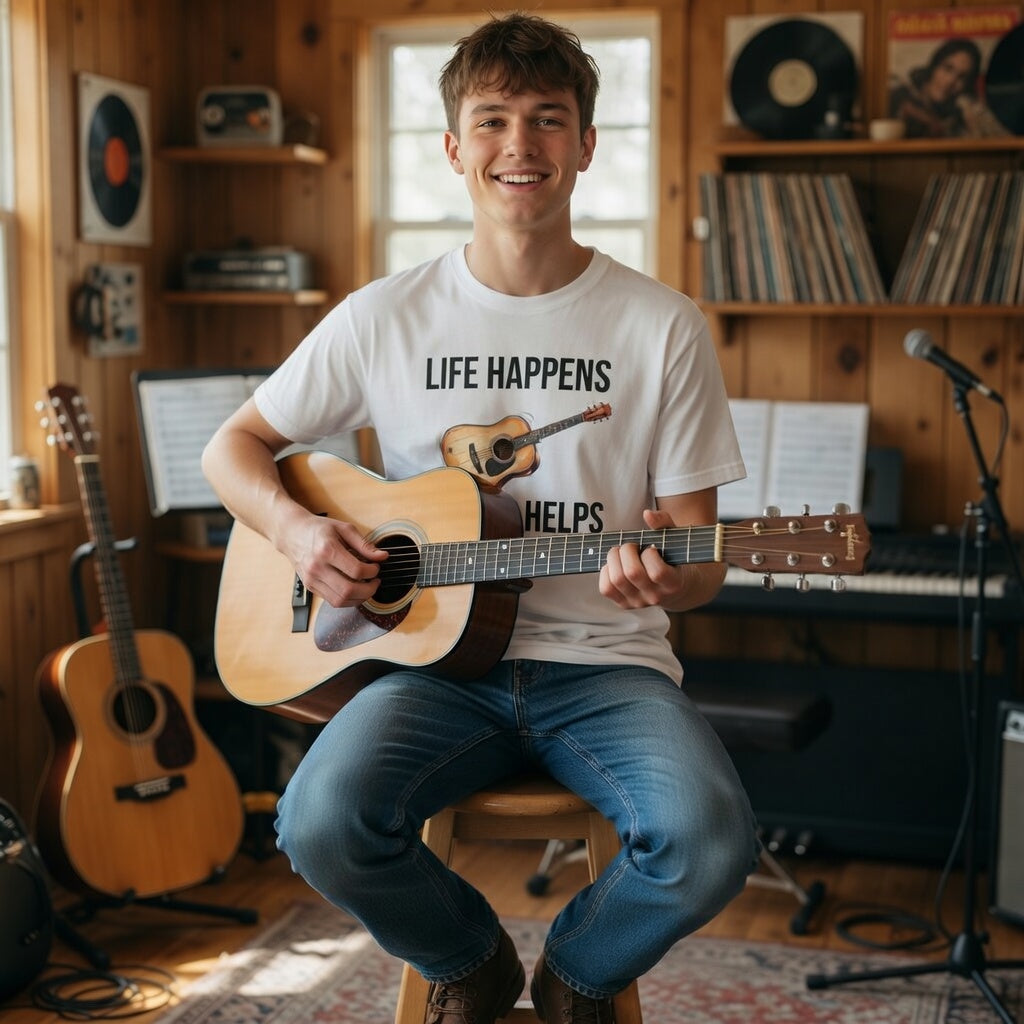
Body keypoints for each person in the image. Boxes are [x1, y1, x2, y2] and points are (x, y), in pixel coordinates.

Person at [202, 12, 758, 1023]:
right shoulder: (382, 315)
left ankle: (577, 973)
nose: (520, 145)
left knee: (711, 839)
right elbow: (230, 448)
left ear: (586, 145)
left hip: (608, 666)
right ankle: (472, 960)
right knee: (319, 822)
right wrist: (297, 531)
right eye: (492, 119)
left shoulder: (660, 325)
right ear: (453, 148)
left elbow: (701, 551)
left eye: (548, 119)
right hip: (426, 667)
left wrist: (671, 575)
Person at [888, 36, 1003, 138]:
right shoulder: (900, 92)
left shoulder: (959, 115)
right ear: (934, 67)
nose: (950, 81)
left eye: (961, 77)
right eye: (947, 68)